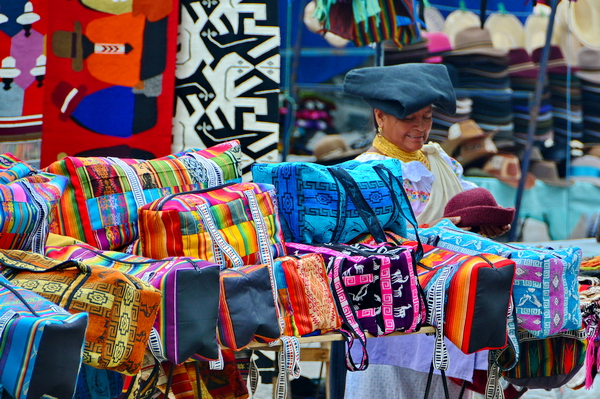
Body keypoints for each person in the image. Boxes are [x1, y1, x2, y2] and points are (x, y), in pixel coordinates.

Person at [341, 63, 511, 398]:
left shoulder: (443, 162)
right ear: (380, 116)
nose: (421, 127)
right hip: (392, 317)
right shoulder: (360, 174)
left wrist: (480, 228)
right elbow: (358, 250)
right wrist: (438, 233)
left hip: (453, 310)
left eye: (428, 117)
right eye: (410, 118)